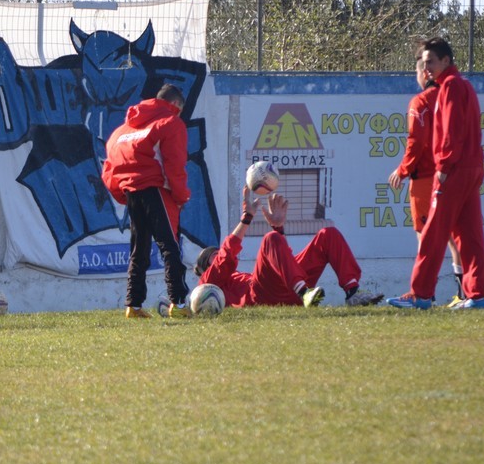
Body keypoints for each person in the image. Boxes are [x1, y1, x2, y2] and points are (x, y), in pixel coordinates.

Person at [388, 37, 484, 310]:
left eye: (431, 62)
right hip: (472, 167)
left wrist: (443, 168)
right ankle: (478, 295)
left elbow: (450, 132)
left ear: (446, 60)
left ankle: (420, 294)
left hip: (454, 170)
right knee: (470, 235)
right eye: (424, 63)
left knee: (432, 233)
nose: (427, 68)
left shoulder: (450, 86)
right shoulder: (464, 85)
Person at [194, 182, 383, 309]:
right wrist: (247, 218)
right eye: (213, 255)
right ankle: (303, 292)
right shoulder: (206, 285)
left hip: (285, 289)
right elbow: (226, 256)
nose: (218, 254)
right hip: (261, 296)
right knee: (270, 239)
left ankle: (352, 292)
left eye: (217, 252)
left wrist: (279, 228)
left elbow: (284, 263)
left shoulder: (236, 277)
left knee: (328, 234)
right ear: (204, 268)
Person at [102, 83, 192, 319]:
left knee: (139, 248)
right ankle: (178, 303)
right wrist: (181, 196)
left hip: (132, 192)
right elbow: (175, 165)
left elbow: (109, 170)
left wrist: (123, 194)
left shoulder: (120, 133)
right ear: (175, 105)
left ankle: (133, 305)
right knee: (169, 245)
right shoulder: (171, 123)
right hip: (157, 190)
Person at [387, 57, 465, 307]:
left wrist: (403, 170)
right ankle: (464, 294)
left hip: (425, 178)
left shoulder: (420, 101)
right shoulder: (451, 97)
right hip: (453, 174)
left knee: (425, 236)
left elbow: (416, 141)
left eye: (417, 71)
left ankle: (423, 294)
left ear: (424, 73)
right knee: (454, 236)